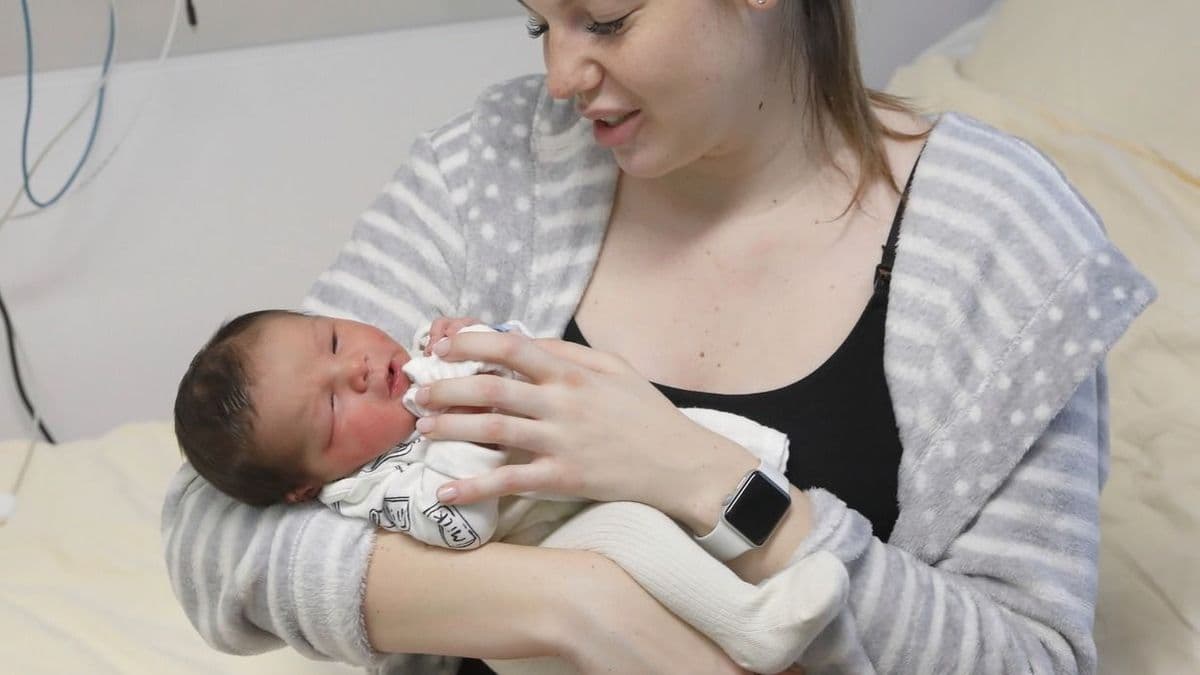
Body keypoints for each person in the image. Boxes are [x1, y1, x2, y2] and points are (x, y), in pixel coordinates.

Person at [162, 0, 1156, 673]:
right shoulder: (497, 169)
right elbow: (211, 530)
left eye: (604, 18)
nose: (559, 73)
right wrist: (578, 607)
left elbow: (1028, 658)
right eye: (536, 22)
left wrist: (704, 480)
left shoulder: (1001, 240)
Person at [171, 308, 842, 673]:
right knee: (627, 531)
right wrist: (471, 424)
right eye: (331, 406)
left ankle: (748, 594)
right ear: (308, 483)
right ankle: (754, 627)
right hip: (540, 563)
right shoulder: (374, 489)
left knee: (645, 517)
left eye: (336, 338)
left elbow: (533, 359)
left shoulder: (426, 362)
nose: (359, 369)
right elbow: (461, 526)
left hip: (581, 505)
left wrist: (487, 344)